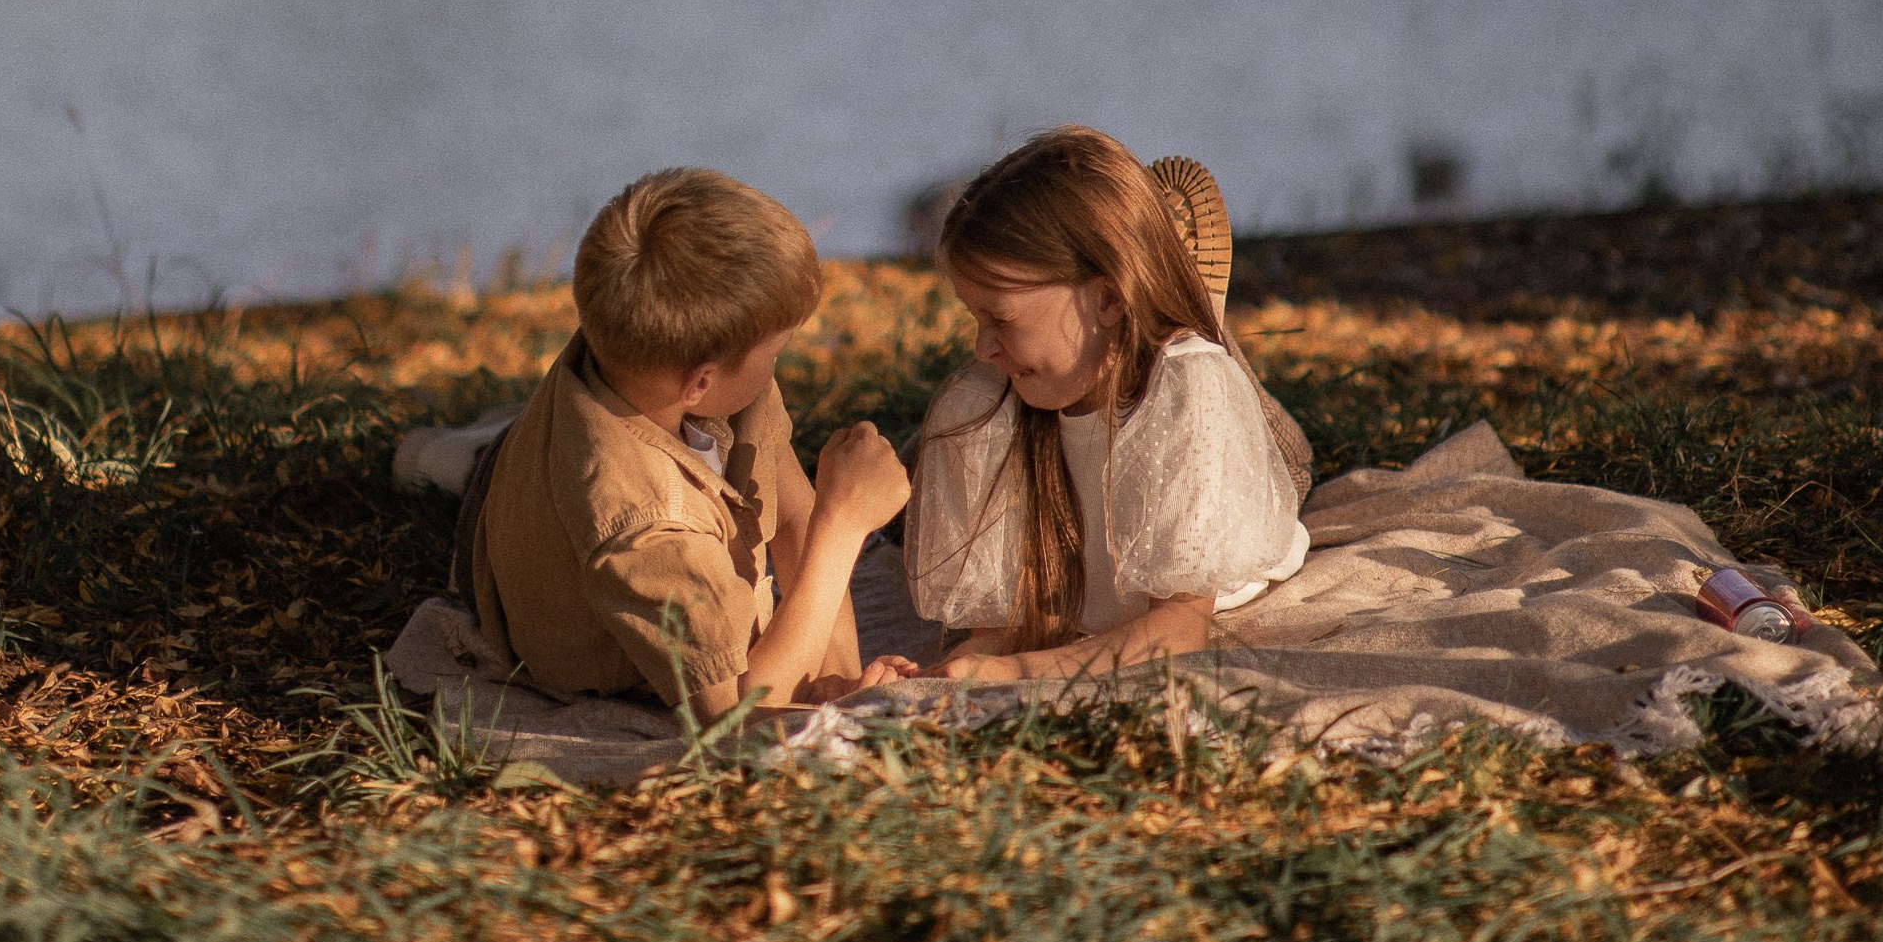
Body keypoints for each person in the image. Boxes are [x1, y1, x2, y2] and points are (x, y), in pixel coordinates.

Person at [451, 167, 913, 720]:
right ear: (700, 383)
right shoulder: (648, 527)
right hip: (513, 544)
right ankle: (455, 457)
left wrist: (834, 678)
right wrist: (845, 527)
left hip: (546, 459)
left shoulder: (658, 354)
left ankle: (481, 448)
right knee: (470, 475)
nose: (776, 368)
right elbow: (733, 720)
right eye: (774, 352)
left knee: (498, 452)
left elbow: (793, 518)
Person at [903, 128, 1311, 682]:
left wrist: (1018, 672)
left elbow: (1177, 631)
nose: (981, 346)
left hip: (1230, 482)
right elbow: (1002, 630)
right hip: (1084, 375)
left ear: (1108, 298)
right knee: (950, 430)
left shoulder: (1192, 397)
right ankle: (1165, 284)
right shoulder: (988, 400)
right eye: (975, 318)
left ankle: (1197, 318)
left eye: (999, 318)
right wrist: (931, 677)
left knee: (1259, 432)